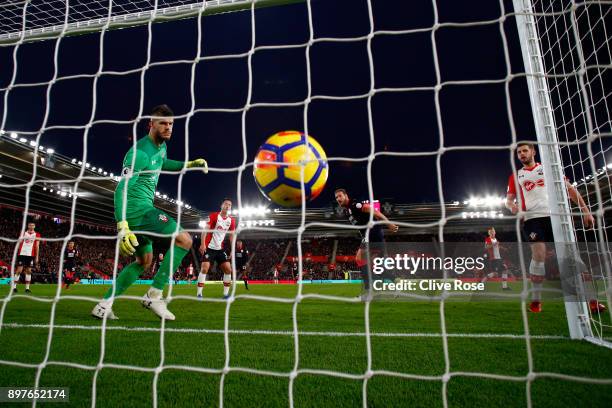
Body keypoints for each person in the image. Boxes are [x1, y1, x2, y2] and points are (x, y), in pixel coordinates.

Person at [92, 104, 208, 321]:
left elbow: (164, 163)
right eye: (163, 123)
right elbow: (121, 188)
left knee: (144, 261)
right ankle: (154, 295)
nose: (168, 128)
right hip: (138, 212)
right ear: (151, 124)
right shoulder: (140, 153)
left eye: (171, 124)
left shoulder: (160, 147)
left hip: (142, 211)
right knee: (184, 239)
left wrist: (189, 164)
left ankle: (103, 305)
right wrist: (122, 224)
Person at [505, 142, 604, 313]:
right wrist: (512, 207)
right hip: (532, 219)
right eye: (519, 152)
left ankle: (593, 301)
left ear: (533, 152)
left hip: (557, 217)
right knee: (539, 254)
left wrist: (586, 211)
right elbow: (508, 199)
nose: (521, 154)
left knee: (572, 256)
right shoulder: (516, 176)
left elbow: (570, 189)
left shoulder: (550, 169)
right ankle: (536, 301)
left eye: (525, 151)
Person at [334, 188, 398, 293]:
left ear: (346, 195)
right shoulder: (348, 211)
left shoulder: (355, 205)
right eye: (336, 197)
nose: (338, 199)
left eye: (340, 196)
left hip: (372, 233)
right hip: (370, 235)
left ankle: (368, 291)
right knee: (371, 266)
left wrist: (389, 224)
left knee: (360, 259)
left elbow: (375, 211)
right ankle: (394, 279)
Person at [196, 198, 236, 299]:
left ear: (230, 207)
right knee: (204, 268)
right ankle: (199, 294)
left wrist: (232, 249)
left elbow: (232, 236)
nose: (227, 206)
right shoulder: (214, 216)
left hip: (220, 249)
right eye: (226, 204)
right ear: (221, 205)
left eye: (229, 205)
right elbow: (205, 230)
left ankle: (226, 294)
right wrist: (202, 244)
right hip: (209, 247)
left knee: (228, 269)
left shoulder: (231, 220)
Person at [14, 222, 40, 294]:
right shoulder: (23, 233)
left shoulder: (37, 235)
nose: (31, 226)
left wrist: (37, 256)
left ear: (34, 226)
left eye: (33, 225)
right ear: (28, 226)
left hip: (31, 255)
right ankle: (14, 287)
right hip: (22, 254)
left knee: (28, 271)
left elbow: (37, 246)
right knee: (19, 270)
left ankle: (27, 288)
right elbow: (19, 242)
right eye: (30, 225)